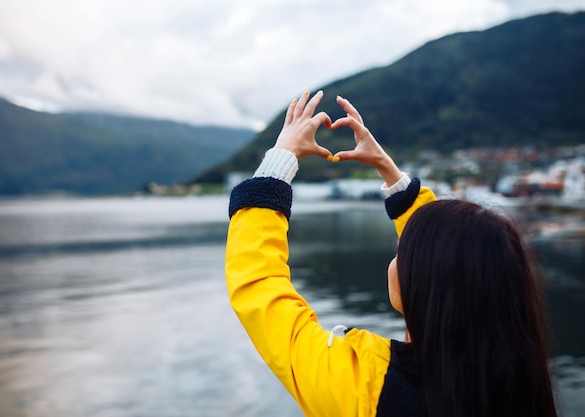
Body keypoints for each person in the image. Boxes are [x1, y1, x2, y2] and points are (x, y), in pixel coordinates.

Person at [225, 90, 557, 417]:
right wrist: (388, 170)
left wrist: (280, 159)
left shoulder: (362, 388)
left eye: (402, 252)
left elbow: (260, 284)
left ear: (422, 281)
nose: (395, 260)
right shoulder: (520, 382)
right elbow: (445, 249)